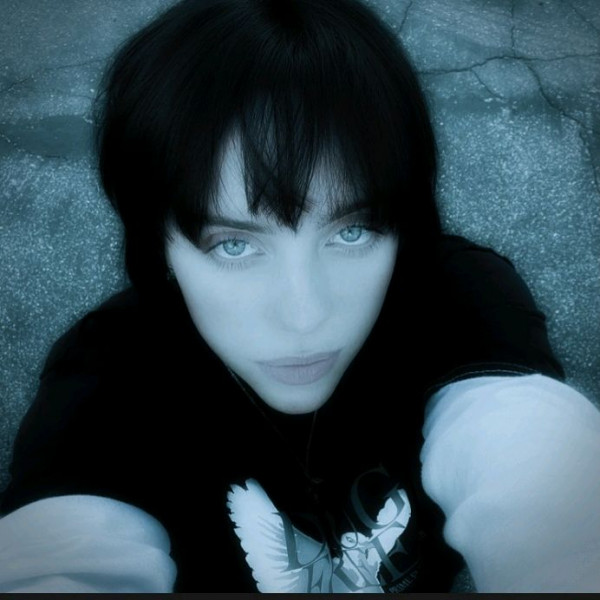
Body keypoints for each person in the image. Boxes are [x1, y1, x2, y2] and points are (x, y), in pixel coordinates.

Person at [0, 0, 599, 593]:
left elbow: (531, 462)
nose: (305, 315)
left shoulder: (456, 297)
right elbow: (67, 554)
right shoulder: (107, 380)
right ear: (158, 245)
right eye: (234, 244)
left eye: (351, 232)